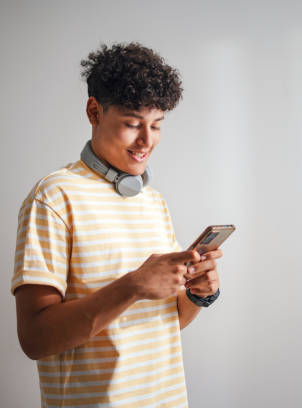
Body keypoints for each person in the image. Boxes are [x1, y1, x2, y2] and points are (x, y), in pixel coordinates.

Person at [12, 42, 223, 407]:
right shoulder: (54, 197)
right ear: (94, 111)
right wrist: (134, 285)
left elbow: (161, 325)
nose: (146, 141)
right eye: (132, 124)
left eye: (156, 126)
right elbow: (36, 338)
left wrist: (195, 294)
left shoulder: (153, 201)